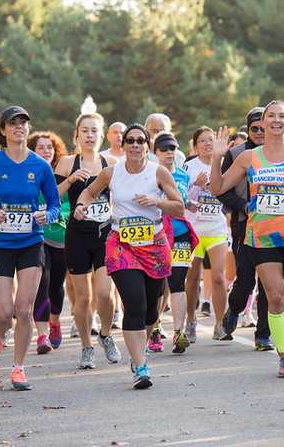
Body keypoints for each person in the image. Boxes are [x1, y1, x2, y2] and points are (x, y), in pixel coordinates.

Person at [211, 100, 284, 378]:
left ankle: (282, 332)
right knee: (274, 296)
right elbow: (219, 187)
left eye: (281, 116)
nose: (275, 121)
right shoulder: (249, 157)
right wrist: (216, 158)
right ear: (263, 121)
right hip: (261, 237)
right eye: (271, 116)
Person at [75, 123, 184, 389]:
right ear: (123, 145)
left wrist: (156, 201)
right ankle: (140, 367)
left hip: (154, 246)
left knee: (149, 312)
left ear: (147, 145)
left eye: (140, 141)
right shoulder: (111, 173)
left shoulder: (158, 172)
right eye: (130, 141)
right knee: (133, 303)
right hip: (121, 244)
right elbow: (89, 191)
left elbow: (179, 208)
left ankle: (139, 350)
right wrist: (81, 205)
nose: (135, 145)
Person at [0, 106, 60, 390]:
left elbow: (56, 205)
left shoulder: (40, 166)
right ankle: (0, 335)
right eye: (13, 123)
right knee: (3, 312)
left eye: (23, 123)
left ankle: (18, 368)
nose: (19, 127)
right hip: (0, 244)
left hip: (31, 243)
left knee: (23, 310)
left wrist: (49, 215)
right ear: (3, 130)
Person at [55, 113, 121, 369]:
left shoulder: (111, 162)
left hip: (105, 234)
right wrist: (71, 180)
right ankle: (86, 346)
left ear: (101, 135)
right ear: (77, 135)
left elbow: (120, 195)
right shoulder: (67, 163)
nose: (90, 135)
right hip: (77, 236)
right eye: (85, 131)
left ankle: (105, 334)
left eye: (94, 130)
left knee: (105, 294)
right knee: (83, 298)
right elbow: (53, 197)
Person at [218, 107, 274, 351]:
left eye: (264, 128)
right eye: (255, 129)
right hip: (244, 225)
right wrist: (243, 206)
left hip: (274, 226)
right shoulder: (235, 153)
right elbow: (222, 190)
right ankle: (234, 309)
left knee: (269, 283)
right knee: (245, 281)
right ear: (248, 129)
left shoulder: (281, 153)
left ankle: (263, 334)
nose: (260, 133)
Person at [183, 127, 231, 340]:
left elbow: (228, 195)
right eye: (202, 141)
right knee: (192, 279)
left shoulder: (223, 165)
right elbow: (182, 197)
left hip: (216, 228)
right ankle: (190, 320)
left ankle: (220, 324)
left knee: (219, 277)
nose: (207, 144)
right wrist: (196, 186)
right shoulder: (188, 166)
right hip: (193, 229)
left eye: (211, 140)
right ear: (195, 146)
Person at [153, 132, 198, 353]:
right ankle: (155, 328)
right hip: (156, 235)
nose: (169, 153)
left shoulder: (182, 174)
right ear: (155, 152)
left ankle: (178, 333)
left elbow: (181, 199)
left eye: (172, 148)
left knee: (178, 281)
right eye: (163, 149)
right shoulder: (150, 174)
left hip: (180, 234)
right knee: (157, 285)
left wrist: (189, 204)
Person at [28, 131, 70, 354]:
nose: (45, 151)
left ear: (56, 152)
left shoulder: (62, 177)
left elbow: (68, 205)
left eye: (49, 147)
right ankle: (42, 335)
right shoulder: (27, 174)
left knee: (56, 286)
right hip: (37, 237)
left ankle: (55, 321)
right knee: (41, 284)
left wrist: (57, 213)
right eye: (40, 147)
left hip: (60, 239)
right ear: (32, 151)